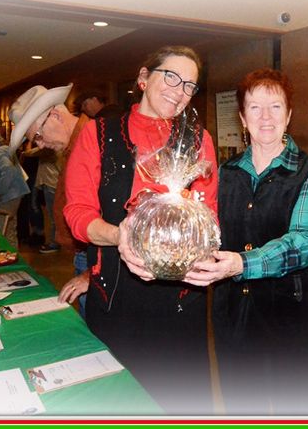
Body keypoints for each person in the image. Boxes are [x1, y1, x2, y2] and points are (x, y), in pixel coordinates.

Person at [63, 46, 219, 414]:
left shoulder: (199, 141)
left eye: (190, 86)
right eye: (171, 77)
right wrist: (121, 236)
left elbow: (209, 215)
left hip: (181, 301)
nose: (180, 91)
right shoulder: (98, 134)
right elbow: (77, 213)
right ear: (144, 77)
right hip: (118, 297)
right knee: (119, 402)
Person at [201, 68, 308, 415]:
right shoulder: (226, 173)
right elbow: (210, 232)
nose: (265, 117)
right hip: (234, 319)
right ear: (242, 118)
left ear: (288, 115)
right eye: (255, 107)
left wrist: (242, 263)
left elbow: (306, 242)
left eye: (275, 107)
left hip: (295, 320)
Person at [8, 83, 92, 298]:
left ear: (55, 115)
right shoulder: (75, 145)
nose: (41, 144)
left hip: (96, 260)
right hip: (86, 254)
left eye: (37, 135)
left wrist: (94, 273)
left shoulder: (93, 143)